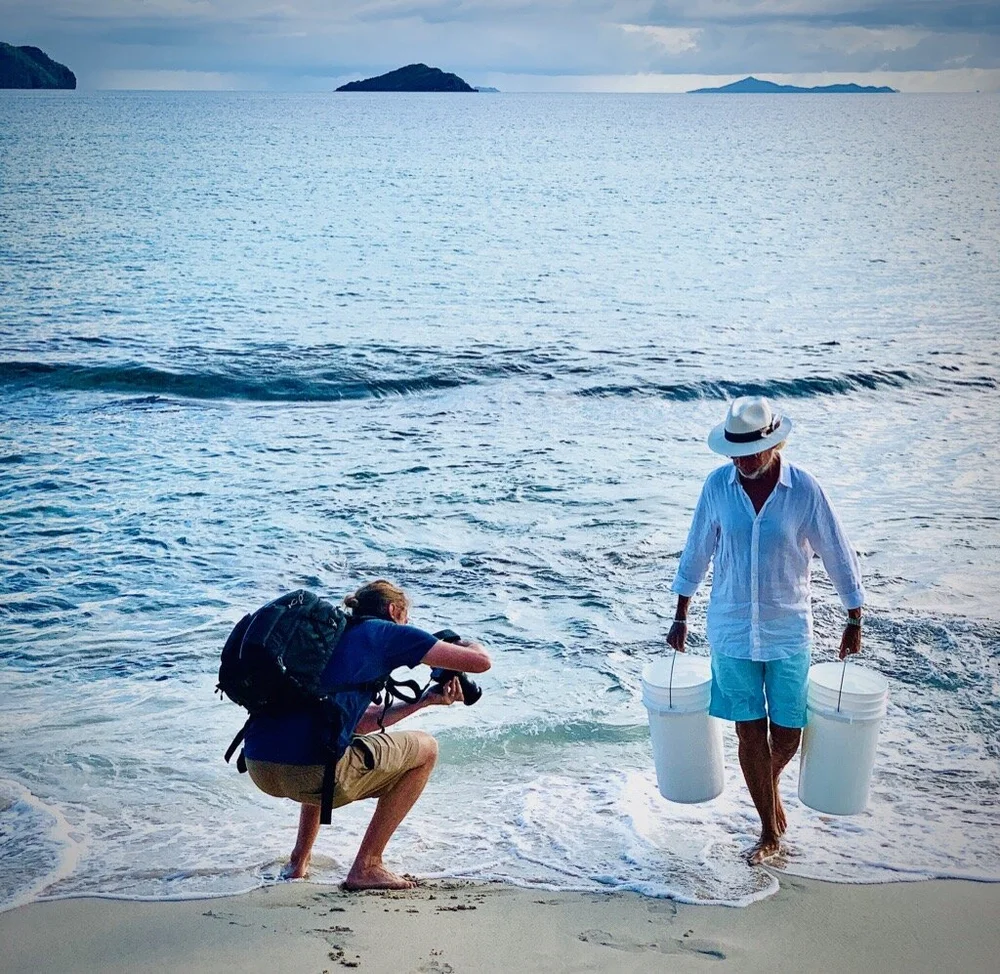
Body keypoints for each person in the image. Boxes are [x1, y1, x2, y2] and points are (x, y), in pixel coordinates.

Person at [666, 396, 864, 864]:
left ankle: (765, 785)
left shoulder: (804, 490)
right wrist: (680, 614)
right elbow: (697, 550)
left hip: (787, 629)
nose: (741, 461)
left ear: (775, 444)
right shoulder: (717, 487)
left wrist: (854, 615)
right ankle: (768, 831)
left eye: (750, 452)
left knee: (791, 732)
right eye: (734, 452)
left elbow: (836, 550)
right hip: (731, 629)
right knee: (749, 734)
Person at [242, 579, 491, 890]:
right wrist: (466, 644)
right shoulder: (388, 633)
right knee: (426, 749)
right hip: (309, 775)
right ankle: (367, 865)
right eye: (406, 616)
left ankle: (298, 863)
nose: (408, 623)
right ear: (394, 609)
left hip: (259, 765)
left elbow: (360, 723)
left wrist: (426, 700)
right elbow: (481, 663)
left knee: (328, 736)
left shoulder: (330, 637)